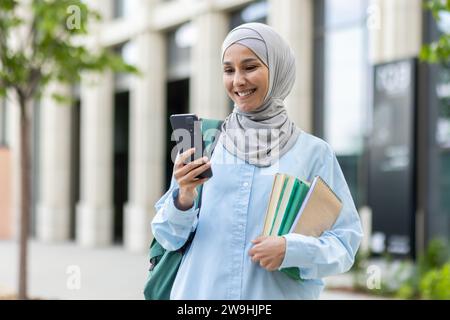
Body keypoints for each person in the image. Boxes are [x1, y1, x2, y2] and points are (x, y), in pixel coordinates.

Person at [151, 22, 363, 299]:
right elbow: (168, 238)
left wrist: (291, 249)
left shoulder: (314, 153)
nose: (238, 80)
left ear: (277, 71)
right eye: (229, 70)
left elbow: (345, 244)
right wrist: (184, 197)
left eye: (250, 67)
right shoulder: (205, 143)